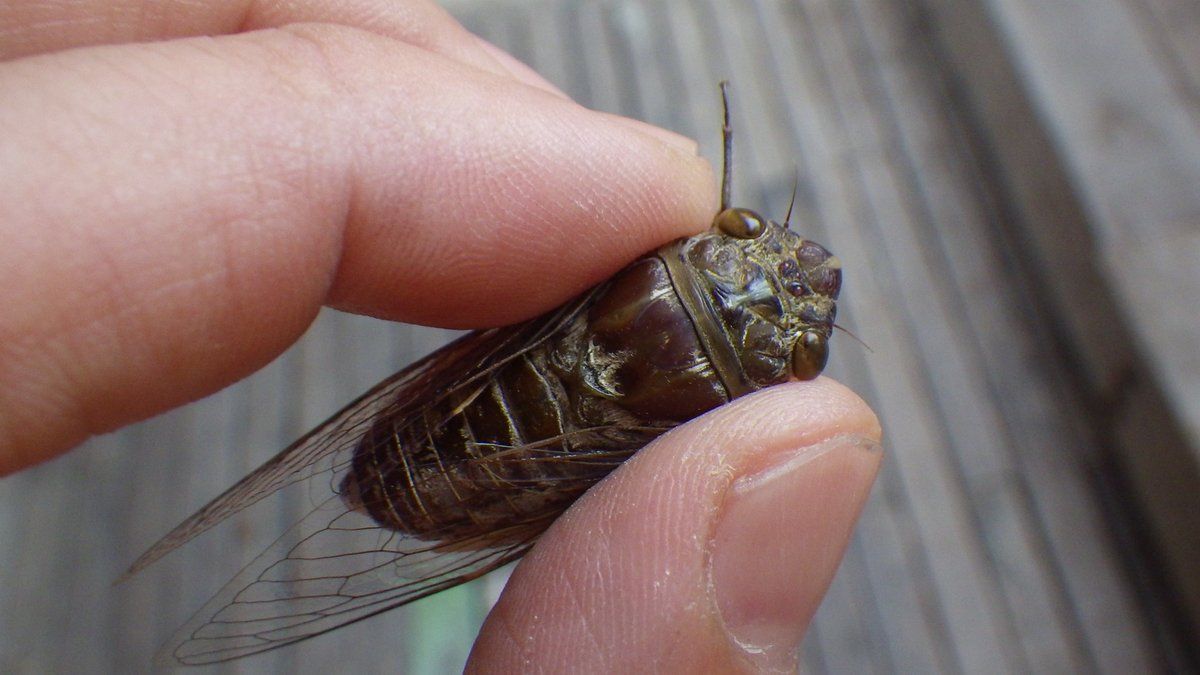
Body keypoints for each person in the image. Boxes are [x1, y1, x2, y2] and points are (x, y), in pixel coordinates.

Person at [0, 0, 882, 671]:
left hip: (478, 436)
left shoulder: (675, 255)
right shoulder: (733, 387)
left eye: (796, 351)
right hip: (483, 456)